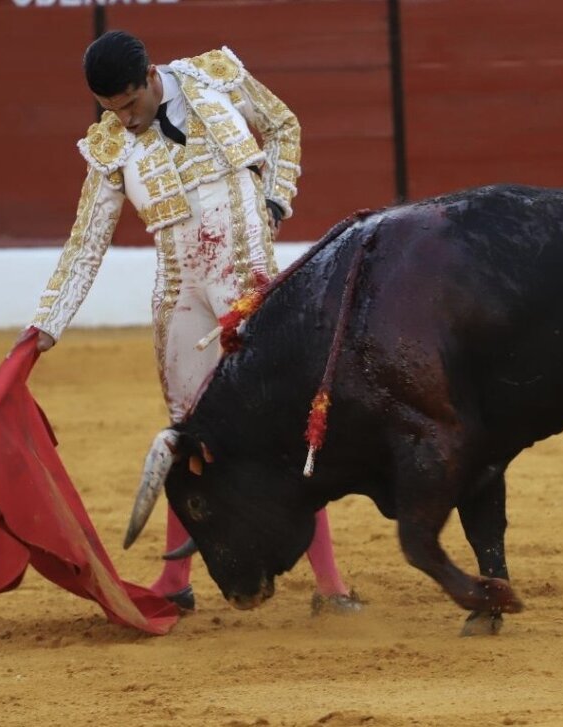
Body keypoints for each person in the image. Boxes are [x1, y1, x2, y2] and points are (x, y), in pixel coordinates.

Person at [25, 30, 359, 614]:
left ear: (151, 77)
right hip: (180, 294)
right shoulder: (109, 147)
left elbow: (283, 126)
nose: (124, 121)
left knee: (283, 428)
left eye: (129, 105)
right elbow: (86, 243)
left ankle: (330, 584)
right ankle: (172, 580)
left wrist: (276, 199)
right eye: (110, 110)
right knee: (185, 437)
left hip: (248, 285)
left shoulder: (216, 77)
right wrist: (44, 327)